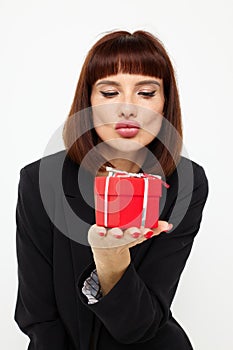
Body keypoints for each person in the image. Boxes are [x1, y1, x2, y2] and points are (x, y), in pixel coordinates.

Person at [14, 30, 209, 350]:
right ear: (88, 101)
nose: (129, 108)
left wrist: (110, 259)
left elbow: (142, 324)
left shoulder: (186, 183)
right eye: (109, 92)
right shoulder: (40, 180)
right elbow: (39, 317)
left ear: (165, 105)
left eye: (146, 92)